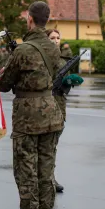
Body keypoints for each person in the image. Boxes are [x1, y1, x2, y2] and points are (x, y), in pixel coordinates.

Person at [0, 1, 64, 209]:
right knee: (46, 169)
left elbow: (5, 82)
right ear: (46, 20)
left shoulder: (23, 50)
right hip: (51, 113)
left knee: (25, 169)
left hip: (28, 117)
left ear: (30, 18)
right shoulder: (53, 48)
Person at [46, 28, 65, 193]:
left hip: (60, 107)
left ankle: (51, 177)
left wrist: (68, 83)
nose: (56, 40)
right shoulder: (42, 58)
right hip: (45, 108)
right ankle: (46, 179)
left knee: (54, 146)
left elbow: (66, 90)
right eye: (52, 37)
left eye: (58, 38)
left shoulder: (63, 61)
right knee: (46, 147)